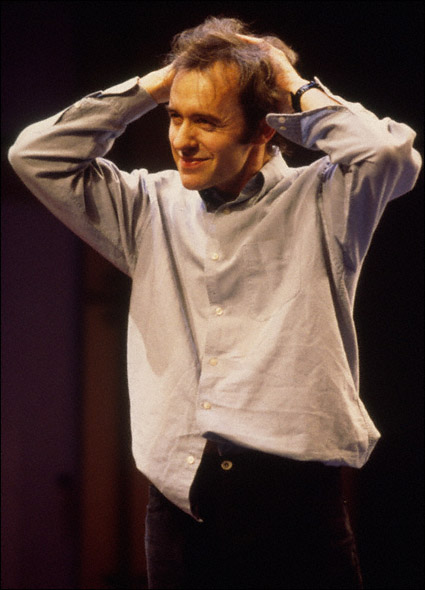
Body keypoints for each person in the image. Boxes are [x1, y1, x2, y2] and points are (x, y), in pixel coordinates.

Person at [8, 15, 421, 590]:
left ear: (265, 129)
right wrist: (154, 87)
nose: (181, 139)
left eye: (206, 121)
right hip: (179, 507)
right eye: (175, 116)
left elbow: (388, 155)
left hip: (293, 512)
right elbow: (34, 154)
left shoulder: (324, 198)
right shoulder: (149, 205)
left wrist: (289, 82)